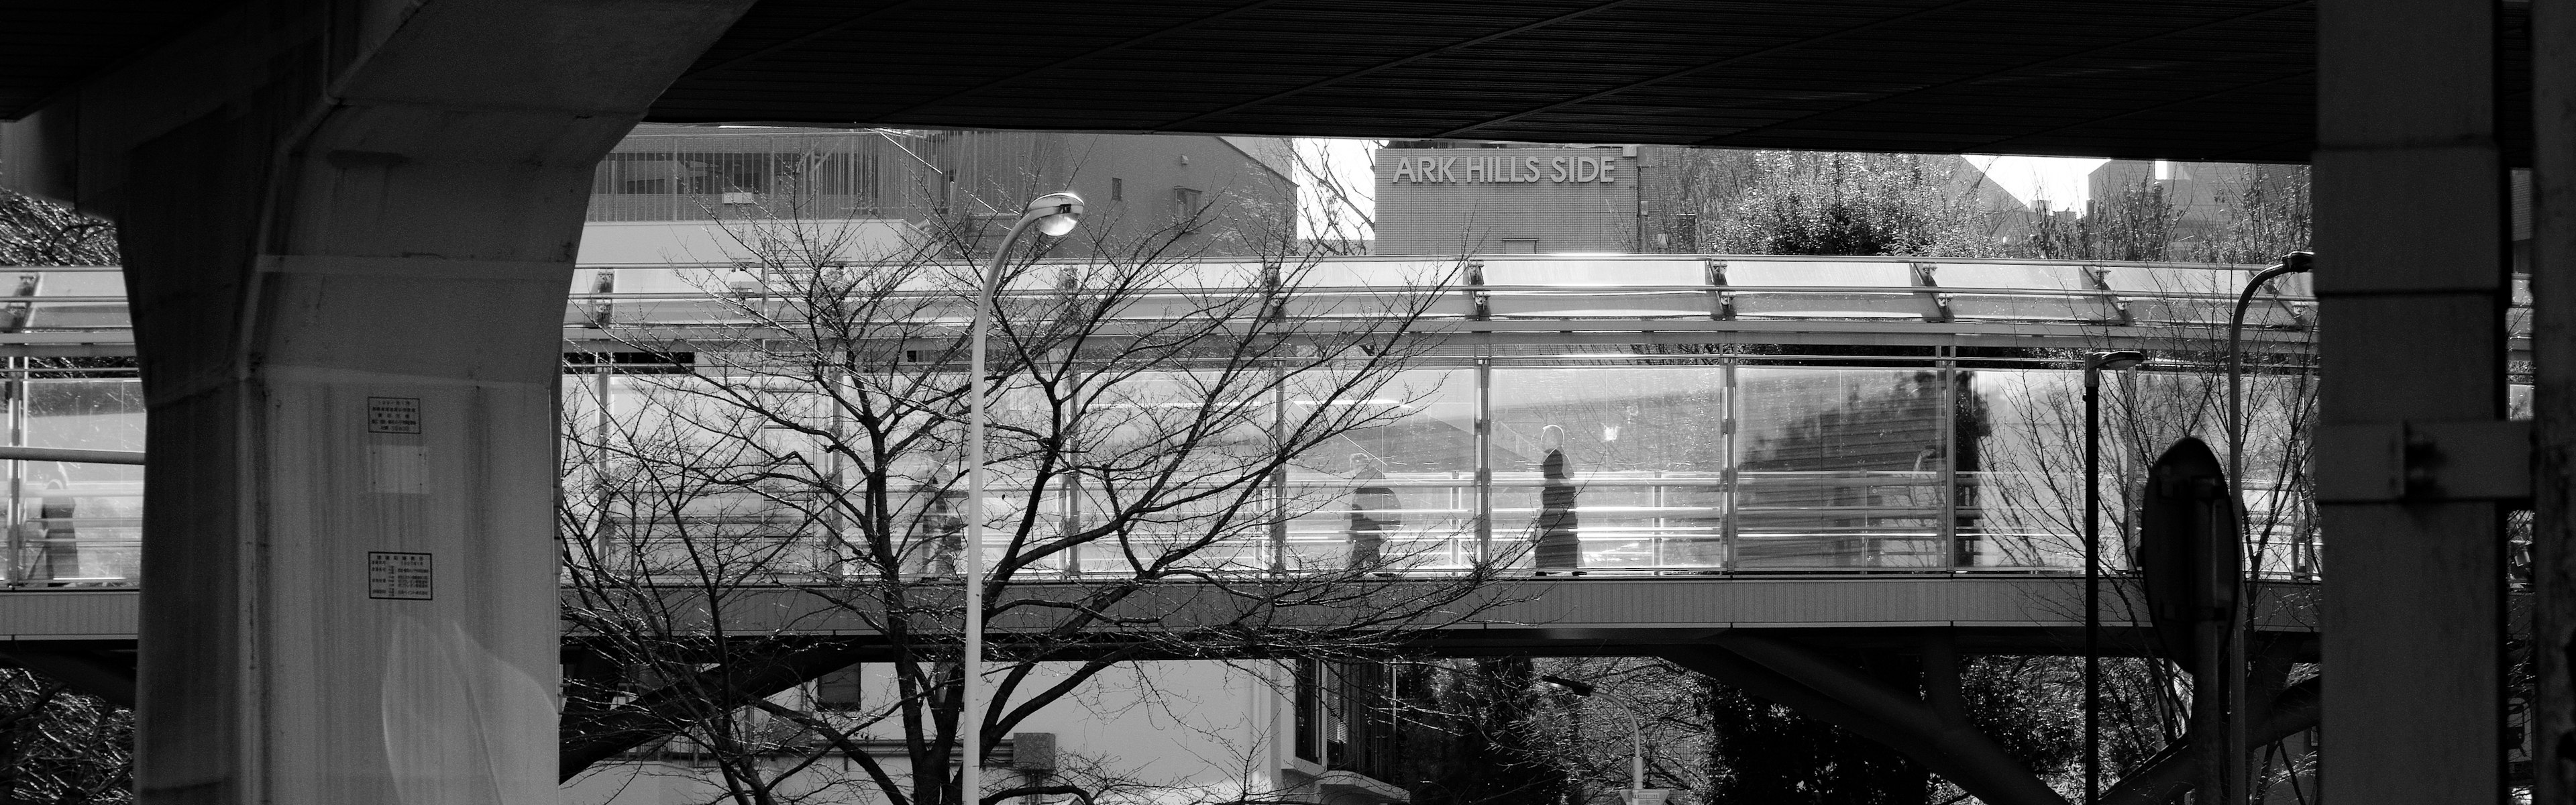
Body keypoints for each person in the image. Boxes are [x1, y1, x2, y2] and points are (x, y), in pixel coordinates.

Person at [1346, 453, 1399, 570]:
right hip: (1371, 531)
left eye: (1352, 468)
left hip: (1369, 531)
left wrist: (1353, 532)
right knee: (1368, 562)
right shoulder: (1373, 486)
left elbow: (1364, 515)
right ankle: (1370, 573)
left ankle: (1357, 573)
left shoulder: (1367, 488)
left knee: (1359, 563)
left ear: (1361, 468)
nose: (1351, 472)